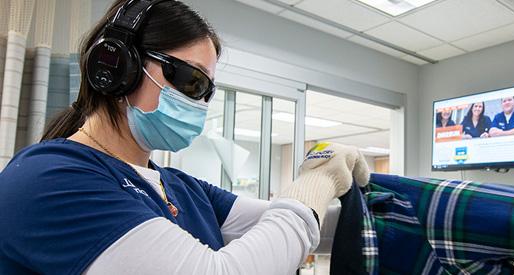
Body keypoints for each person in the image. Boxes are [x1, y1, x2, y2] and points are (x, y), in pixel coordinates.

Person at [0, 1, 370, 274]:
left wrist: (353, 195)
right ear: (118, 66)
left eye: (207, 91)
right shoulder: (48, 180)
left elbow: (305, 227)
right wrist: (313, 183)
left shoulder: (176, 185)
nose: (200, 102)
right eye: (193, 81)